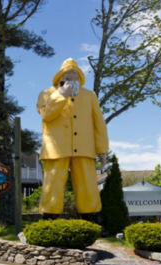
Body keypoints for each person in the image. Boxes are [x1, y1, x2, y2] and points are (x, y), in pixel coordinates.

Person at [37, 58, 109, 217]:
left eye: (74, 74)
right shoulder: (47, 94)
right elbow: (46, 115)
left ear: (80, 77)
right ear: (60, 76)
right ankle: (49, 220)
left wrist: (102, 150)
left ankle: (90, 220)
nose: (71, 77)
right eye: (67, 74)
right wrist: (61, 95)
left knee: (88, 185)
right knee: (53, 184)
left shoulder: (90, 96)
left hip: (84, 148)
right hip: (55, 148)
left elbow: (99, 123)